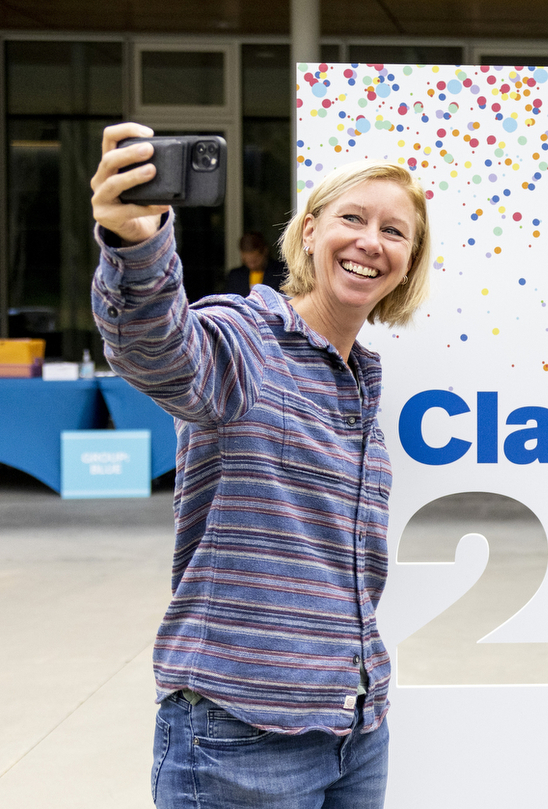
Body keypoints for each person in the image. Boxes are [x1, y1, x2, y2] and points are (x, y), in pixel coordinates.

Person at [90, 122, 432, 808]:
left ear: (409, 261)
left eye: (396, 233)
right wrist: (137, 242)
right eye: (353, 218)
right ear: (309, 232)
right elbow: (157, 348)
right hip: (241, 736)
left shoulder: (360, 377)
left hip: (355, 730)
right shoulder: (247, 339)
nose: (372, 242)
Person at [224, 230, 286, 296]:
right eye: (248, 262)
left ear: (265, 251)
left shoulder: (280, 272)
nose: (252, 266)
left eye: (255, 261)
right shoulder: (235, 276)